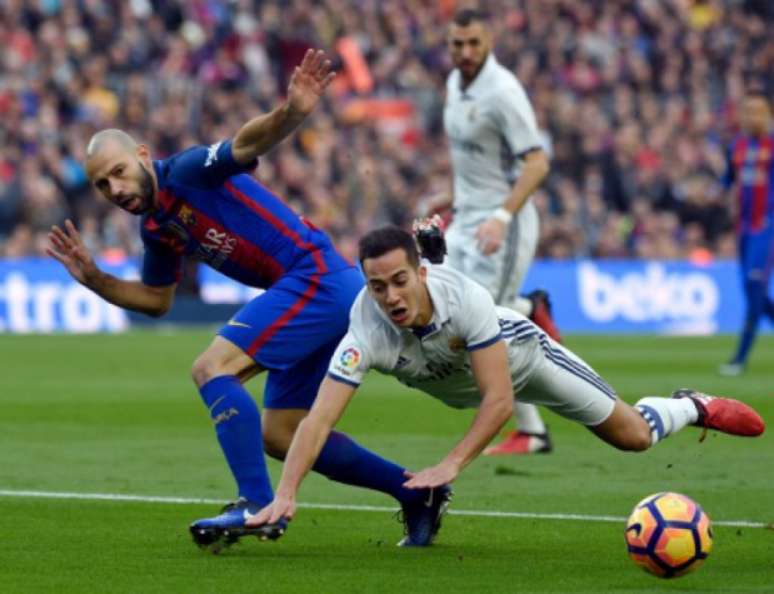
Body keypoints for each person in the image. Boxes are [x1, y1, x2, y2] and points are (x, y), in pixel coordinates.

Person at [46, 50, 447, 552]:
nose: (115, 188)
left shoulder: (186, 172)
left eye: (120, 172)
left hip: (315, 277)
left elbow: (245, 143)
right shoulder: (156, 227)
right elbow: (156, 301)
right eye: (103, 184)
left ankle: (256, 503)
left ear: (143, 155)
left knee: (212, 368)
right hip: (313, 289)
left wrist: (293, 112)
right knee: (280, 433)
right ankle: (417, 492)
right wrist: (95, 279)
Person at [248, 225, 765, 541]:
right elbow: (318, 419)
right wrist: (287, 493)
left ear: (421, 273)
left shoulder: (462, 298)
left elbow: (498, 401)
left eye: (400, 280)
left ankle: (690, 406)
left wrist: (450, 464)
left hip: (527, 360)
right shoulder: (366, 328)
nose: (390, 296)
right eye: (377, 286)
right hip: (462, 383)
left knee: (633, 437)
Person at [431, 8, 559, 454]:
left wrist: (502, 217)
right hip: (466, 218)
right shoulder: (453, 84)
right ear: (448, 44)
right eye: (457, 44)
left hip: (502, 222)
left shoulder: (503, 92)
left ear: (490, 41)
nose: (465, 53)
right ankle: (530, 306)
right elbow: (474, 157)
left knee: (484, 324)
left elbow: (536, 162)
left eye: (474, 44)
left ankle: (533, 431)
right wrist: (449, 196)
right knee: (459, 314)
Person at [718, 88, 774, 376]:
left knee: (754, 287)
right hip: (743, 229)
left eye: (757, 111)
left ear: (768, 114)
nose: (751, 116)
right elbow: (728, 179)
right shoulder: (738, 145)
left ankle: (739, 358)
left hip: (767, 226)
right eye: (746, 110)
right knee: (751, 291)